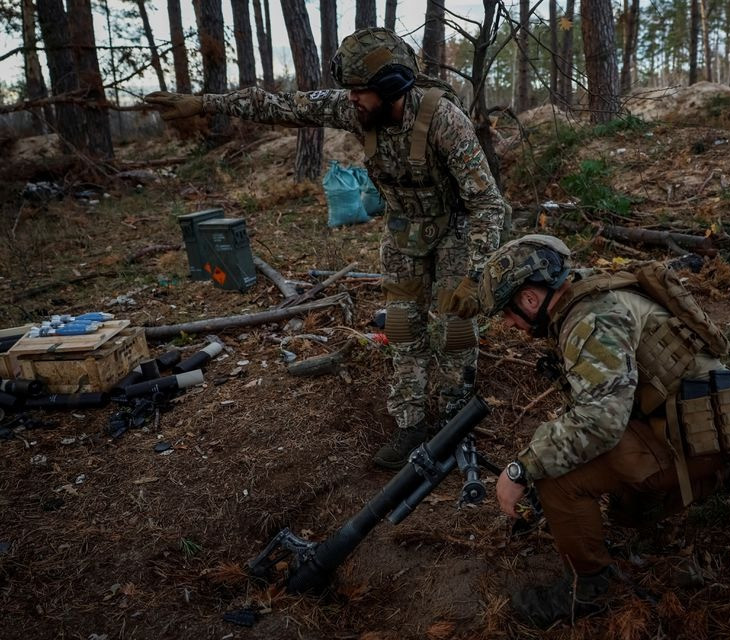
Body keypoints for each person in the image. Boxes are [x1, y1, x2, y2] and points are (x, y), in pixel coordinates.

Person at [145, 28, 506, 470]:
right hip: (404, 233)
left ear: (390, 87)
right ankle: (410, 425)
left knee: (455, 331)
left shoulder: (444, 120)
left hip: (456, 231)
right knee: (403, 330)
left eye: (359, 91)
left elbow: (487, 202)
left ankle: (454, 424)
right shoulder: (356, 110)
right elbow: (282, 105)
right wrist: (204, 103)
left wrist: (474, 274)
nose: (351, 99)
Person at [477, 234, 730, 629]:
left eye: (508, 312)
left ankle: (591, 588)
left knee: (558, 478)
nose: (508, 323)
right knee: (571, 456)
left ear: (530, 299)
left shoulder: (591, 320)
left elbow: (600, 423)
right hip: (694, 422)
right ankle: (649, 515)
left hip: (702, 439)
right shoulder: (591, 290)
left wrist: (522, 469)